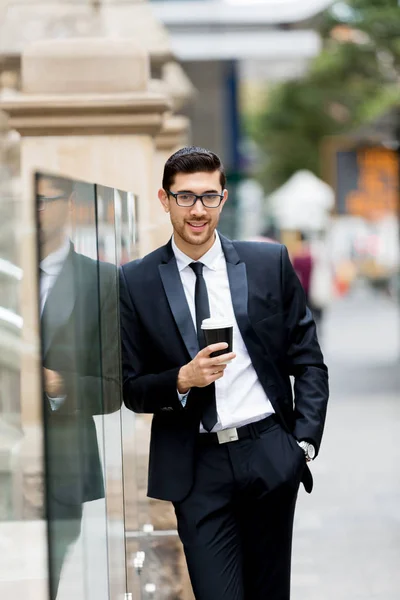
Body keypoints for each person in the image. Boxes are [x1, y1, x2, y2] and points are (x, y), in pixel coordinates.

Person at [119, 147, 329, 600]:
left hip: (269, 452)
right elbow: (132, 388)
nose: (198, 210)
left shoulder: (267, 264)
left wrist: (303, 444)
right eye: (186, 197)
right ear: (164, 198)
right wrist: (182, 379)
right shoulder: (135, 282)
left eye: (209, 197)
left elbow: (308, 358)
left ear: (223, 198)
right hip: (196, 466)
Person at [37, 174, 121, 599]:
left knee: (42, 580)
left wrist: (59, 386)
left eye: (44, 200)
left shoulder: (101, 280)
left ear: (69, 205)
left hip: (63, 462)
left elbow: (112, 389)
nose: (33, 211)